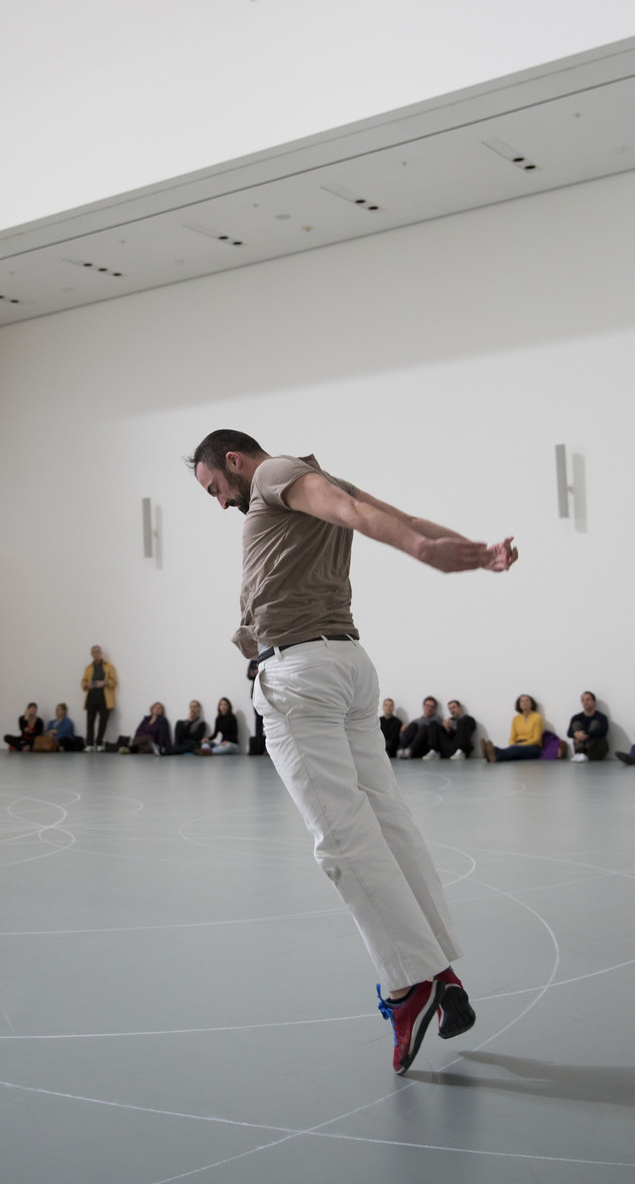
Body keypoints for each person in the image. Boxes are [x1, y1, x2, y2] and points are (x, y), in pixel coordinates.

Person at [189, 429, 516, 1075]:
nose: (219, 501)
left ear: (233, 461)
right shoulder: (310, 480)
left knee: (341, 841)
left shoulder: (273, 474)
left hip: (299, 672)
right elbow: (387, 514)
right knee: (387, 824)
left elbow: (360, 517)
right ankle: (438, 967)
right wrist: (469, 552)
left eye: (213, 488)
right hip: (345, 664)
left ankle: (408, 986)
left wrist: (425, 550)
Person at [481, 695, 543, 762]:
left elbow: (537, 739)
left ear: (532, 704)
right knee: (512, 751)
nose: (524, 702)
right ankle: (492, 756)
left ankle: (492, 751)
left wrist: (519, 745)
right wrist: (512, 744)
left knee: (515, 750)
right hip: (517, 745)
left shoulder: (537, 717)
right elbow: (512, 737)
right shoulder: (516, 719)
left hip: (533, 747)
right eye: (521, 701)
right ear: (519, 704)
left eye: (527, 700)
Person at [81, 645, 117, 750]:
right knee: (90, 721)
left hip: (104, 697)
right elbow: (83, 682)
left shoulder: (109, 666)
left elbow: (113, 681)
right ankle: (89, 744)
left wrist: (104, 683)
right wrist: (87, 684)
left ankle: (99, 743)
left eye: (97, 652)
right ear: (91, 654)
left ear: (101, 653)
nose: (95, 654)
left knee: (103, 721)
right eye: (93, 652)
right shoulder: (88, 668)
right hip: (91, 696)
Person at [567, 691, 609, 762]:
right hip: (580, 751)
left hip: (596, 750)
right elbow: (569, 733)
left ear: (594, 702)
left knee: (595, 723)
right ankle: (581, 753)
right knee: (576, 724)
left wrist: (586, 734)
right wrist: (576, 734)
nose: (585, 702)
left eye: (588, 699)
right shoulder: (576, 717)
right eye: (583, 700)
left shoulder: (601, 717)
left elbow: (603, 732)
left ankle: (584, 753)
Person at [246, 659, 267, 755]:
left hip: (267, 692)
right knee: (258, 720)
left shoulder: (266, 657)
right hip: (255, 694)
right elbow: (249, 675)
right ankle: (259, 746)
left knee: (268, 720)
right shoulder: (253, 660)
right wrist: (254, 673)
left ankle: (268, 747)